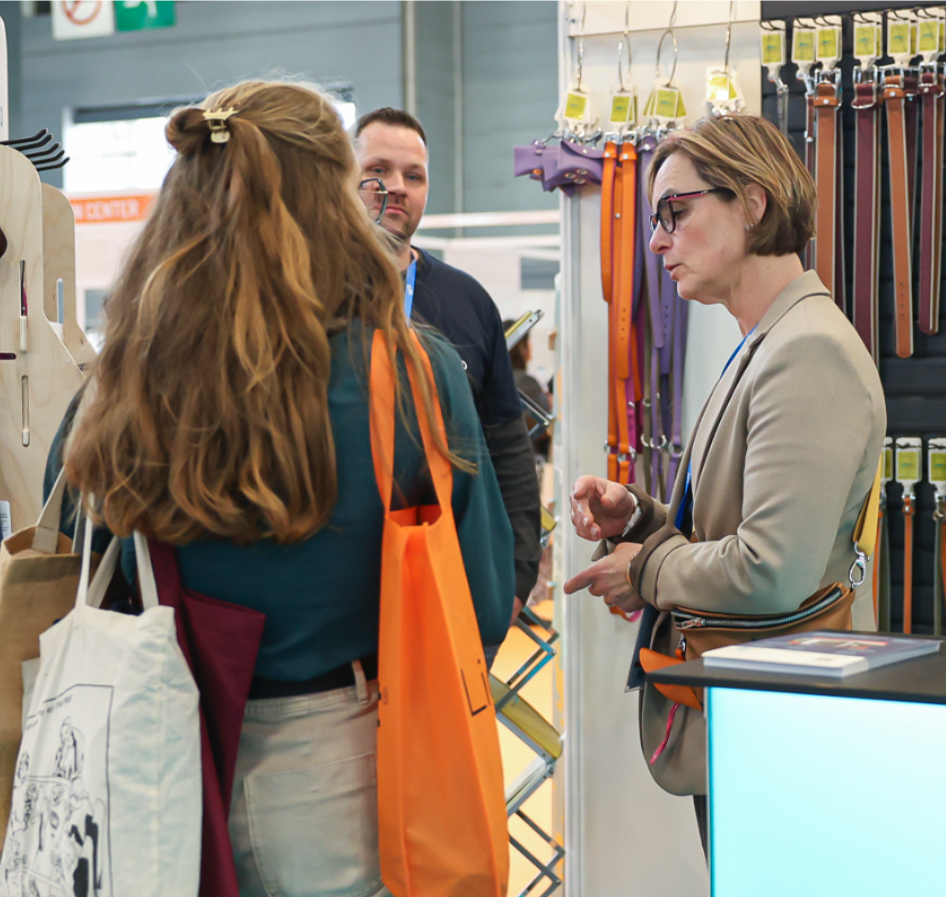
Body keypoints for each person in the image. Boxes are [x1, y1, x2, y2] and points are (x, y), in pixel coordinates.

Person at [45, 80, 514, 897]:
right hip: (338, 756)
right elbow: (479, 600)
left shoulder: (122, 380)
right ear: (336, 201)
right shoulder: (409, 374)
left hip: (143, 751)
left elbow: (67, 560)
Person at [561, 114, 885, 854]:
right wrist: (639, 518)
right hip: (759, 715)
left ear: (752, 202)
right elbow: (738, 528)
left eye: (673, 211)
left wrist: (642, 568)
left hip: (781, 731)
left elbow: (771, 568)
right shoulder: (770, 342)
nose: (656, 240)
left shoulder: (805, 352)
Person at [355, 109, 541, 625]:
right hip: (348, 588)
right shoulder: (310, 295)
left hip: (453, 581)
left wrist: (517, 576)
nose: (396, 187)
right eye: (378, 170)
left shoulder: (468, 301)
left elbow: (508, 447)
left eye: (413, 176)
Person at [503, 318, 552, 461]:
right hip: (527, 459)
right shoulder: (524, 382)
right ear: (522, 347)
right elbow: (547, 430)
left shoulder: (501, 381)